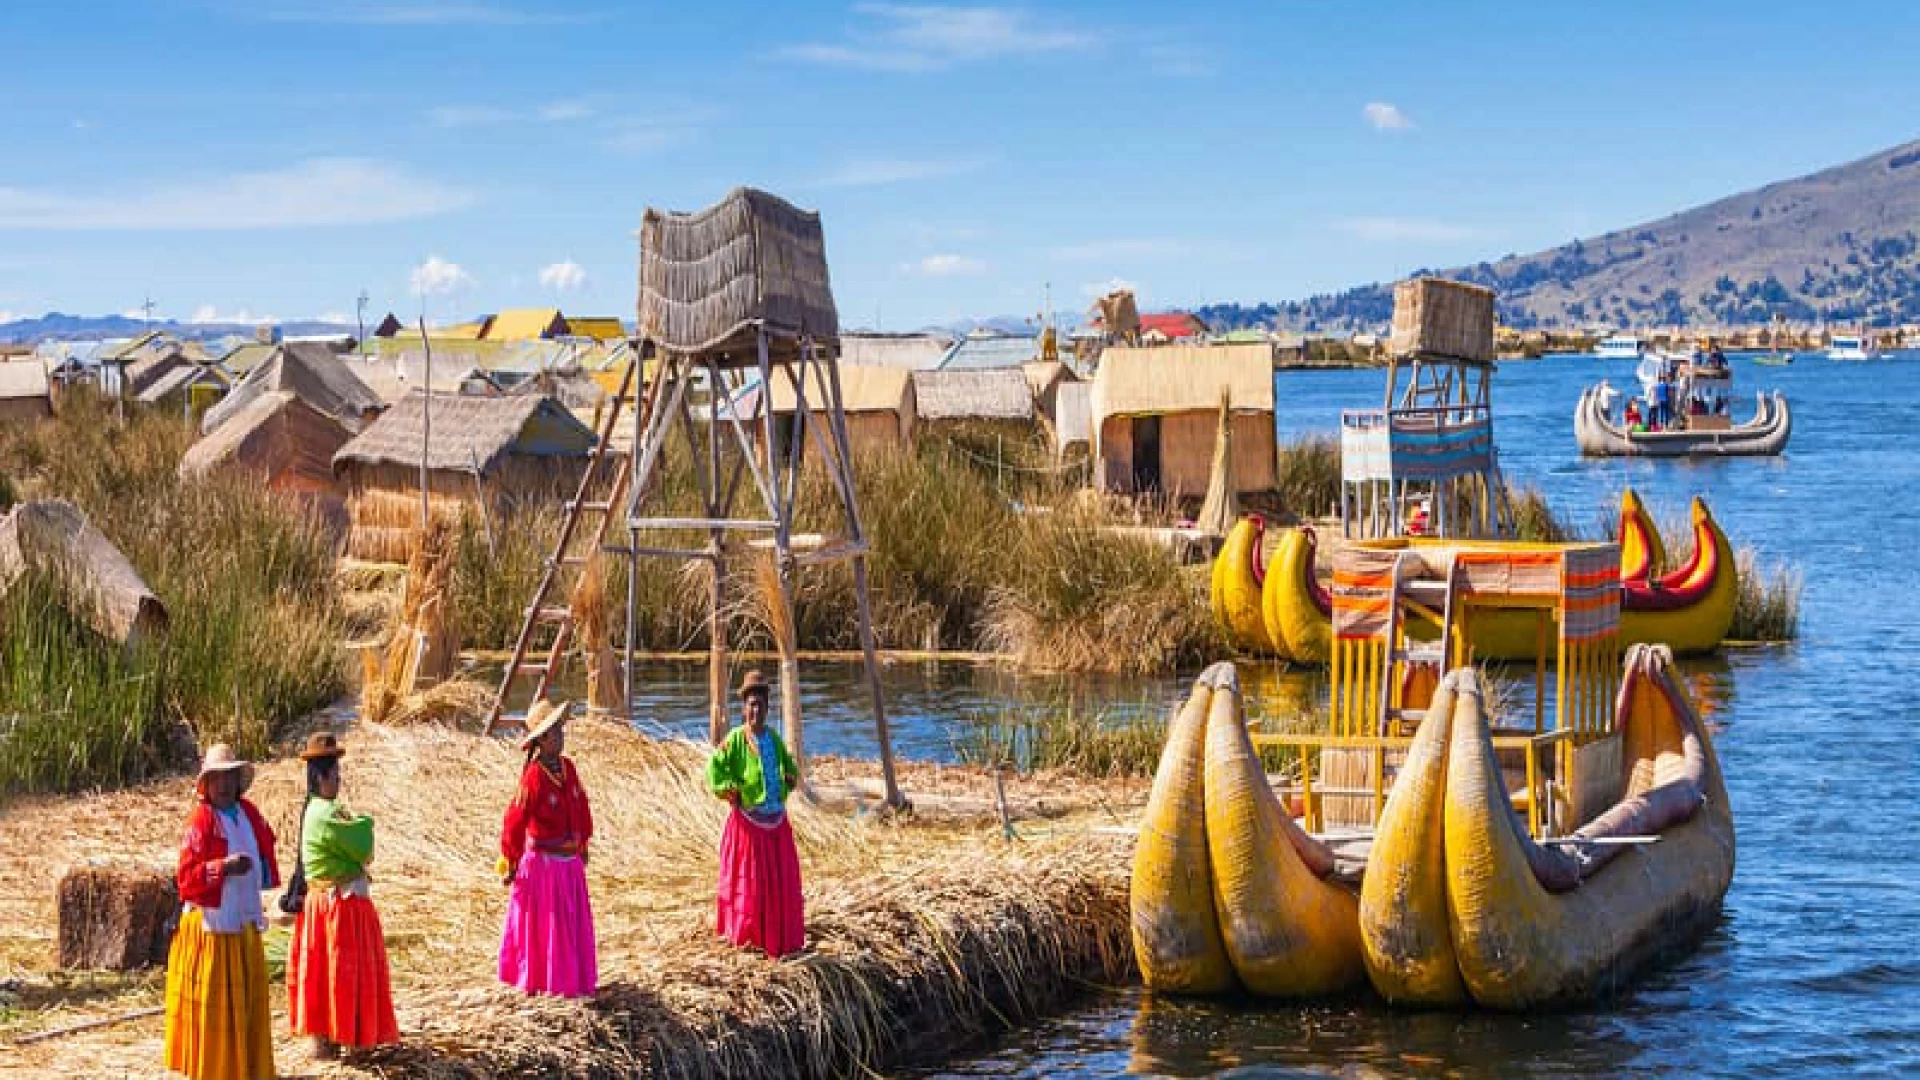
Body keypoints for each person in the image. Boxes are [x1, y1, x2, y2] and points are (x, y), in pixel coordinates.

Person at [164, 744, 280, 1080]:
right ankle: (217, 1070)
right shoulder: (201, 822)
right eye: (216, 779)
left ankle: (246, 1067)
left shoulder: (248, 814)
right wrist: (222, 868)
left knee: (244, 1003)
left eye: (229, 777)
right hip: (213, 927)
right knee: (216, 1007)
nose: (224, 785)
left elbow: (265, 850)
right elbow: (185, 880)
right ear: (206, 784)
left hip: (242, 921)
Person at [286, 733, 398, 1059]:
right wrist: (365, 823)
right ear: (320, 777)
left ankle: (333, 1037)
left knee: (329, 970)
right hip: (336, 906)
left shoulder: (319, 810)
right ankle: (345, 1035)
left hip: (329, 902)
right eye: (335, 775)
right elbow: (363, 845)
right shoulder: (325, 813)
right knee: (340, 970)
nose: (339, 780)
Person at [498, 699, 597, 997]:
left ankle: (571, 981)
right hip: (545, 867)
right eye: (555, 731)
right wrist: (511, 860)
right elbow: (515, 819)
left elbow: (581, 807)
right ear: (541, 739)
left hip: (569, 864)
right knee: (549, 926)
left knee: (569, 925)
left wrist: (583, 843)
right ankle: (547, 981)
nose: (561, 735)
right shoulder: (534, 777)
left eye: (560, 729)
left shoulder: (568, 768)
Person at [707, 670, 805, 958]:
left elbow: (790, 768)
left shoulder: (773, 739)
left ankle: (777, 936)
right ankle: (749, 936)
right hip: (749, 827)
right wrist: (731, 791)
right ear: (743, 708)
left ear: (767, 708)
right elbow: (715, 769)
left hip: (775, 823)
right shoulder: (735, 740)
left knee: (776, 885)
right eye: (751, 704)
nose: (756, 710)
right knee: (749, 885)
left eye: (760, 704)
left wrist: (787, 784)